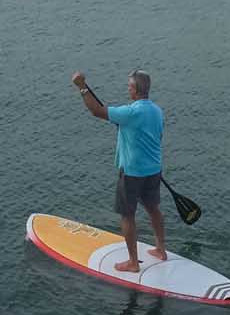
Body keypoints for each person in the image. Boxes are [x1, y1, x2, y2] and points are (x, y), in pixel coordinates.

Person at [71, 68, 166, 272]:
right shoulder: (157, 111)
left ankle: (133, 263)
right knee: (153, 208)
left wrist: (82, 88)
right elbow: (157, 138)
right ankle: (160, 250)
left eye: (129, 86)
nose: (127, 89)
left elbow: (97, 111)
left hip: (132, 172)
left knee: (127, 215)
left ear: (135, 90)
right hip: (154, 169)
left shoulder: (131, 113)